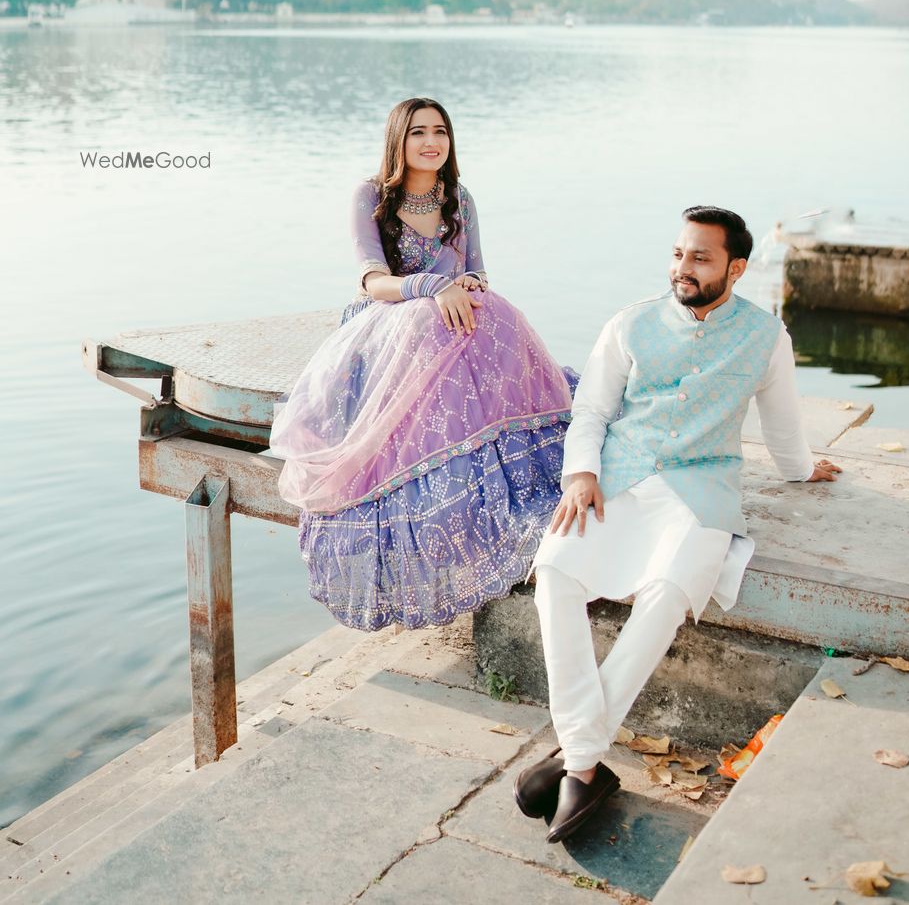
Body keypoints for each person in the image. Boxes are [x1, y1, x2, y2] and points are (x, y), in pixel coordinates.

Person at [514, 205, 842, 845]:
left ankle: (575, 760)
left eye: (699, 258)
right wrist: (580, 473)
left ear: (735, 267)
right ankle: (582, 762)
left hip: (701, 493)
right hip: (616, 480)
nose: (682, 268)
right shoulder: (630, 324)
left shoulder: (767, 336)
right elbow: (592, 409)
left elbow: (781, 425)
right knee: (553, 571)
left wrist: (803, 469)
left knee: (666, 598)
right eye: (677, 254)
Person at [269, 97, 575, 631]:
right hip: (388, 319)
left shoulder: (460, 199)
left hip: (455, 312)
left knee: (499, 312)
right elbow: (371, 280)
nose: (431, 142)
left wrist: (469, 288)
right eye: (418, 133)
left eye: (440, 131)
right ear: (398, 141)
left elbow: (479, 270)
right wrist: (430, 287)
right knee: (427, 322)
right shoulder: (372, 196)